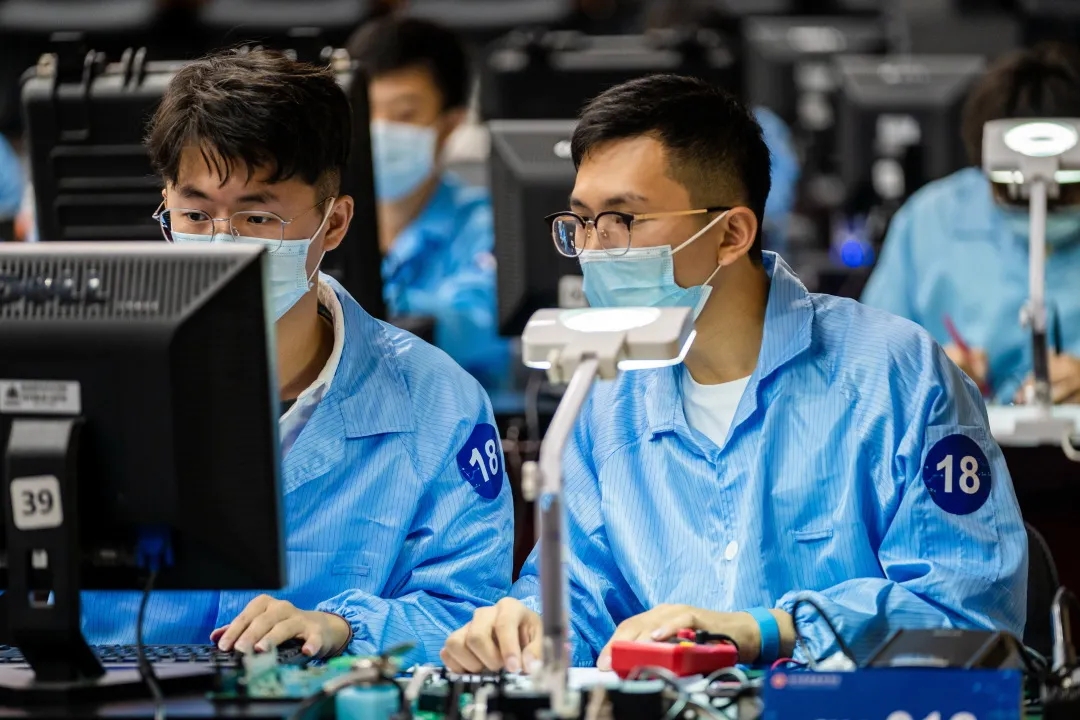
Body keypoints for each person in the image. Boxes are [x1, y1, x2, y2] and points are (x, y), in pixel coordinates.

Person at [440, 74, 1027, 673]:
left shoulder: (894, 374)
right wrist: (526, 626)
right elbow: (580, 593)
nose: (595, 248)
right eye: (583, 221)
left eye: (624, 219)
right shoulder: (606, 393)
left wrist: (769, 630)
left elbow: (968, 612)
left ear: (731, 234)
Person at [79, 49, 513, 665]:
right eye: (195, 214)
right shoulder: (83, 379)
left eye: (258, 216)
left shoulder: (437, 401)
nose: (223, 243)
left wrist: (345, 625)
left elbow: (469, 611)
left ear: (333, 225)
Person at [862, 42, 1080, 404]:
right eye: (1013, 190)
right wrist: (925, 373)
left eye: (1067, 190)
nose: (1039, 199)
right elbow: (867, 364)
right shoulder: (930, 221)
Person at [347, 17, 509, 390]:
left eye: (404, 115)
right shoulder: (317, 221)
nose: (378, 130)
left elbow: (469, 327)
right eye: (365, 111)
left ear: (451, 124)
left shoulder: (491, 225)